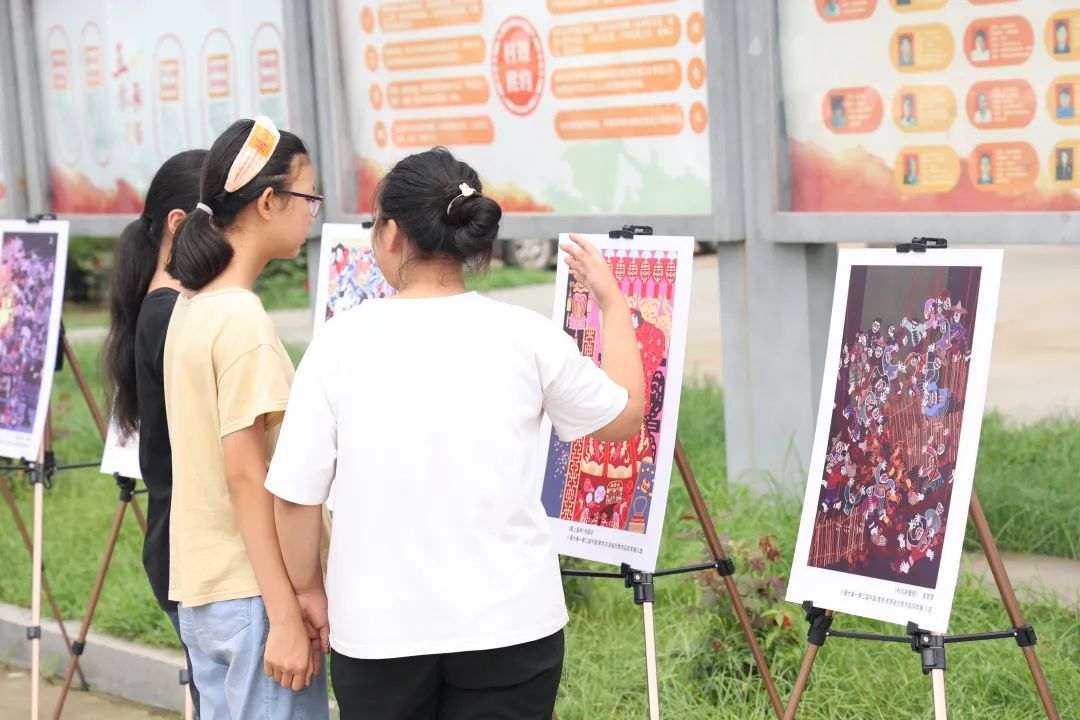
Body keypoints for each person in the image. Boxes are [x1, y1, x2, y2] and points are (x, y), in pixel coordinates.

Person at [266, 147, 645, 719]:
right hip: (513, 628)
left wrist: (308, 592)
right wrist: (613, 306)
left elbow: (296, 499)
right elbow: (624, 417)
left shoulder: (341, 344)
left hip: (377, 634)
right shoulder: (525, 336)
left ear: (390, 235)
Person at [163, 116, 329, 718]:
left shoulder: (192, 305)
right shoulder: (241, 320)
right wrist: (286, 612)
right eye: (309, 197)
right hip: (254, 593)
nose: (313, 212)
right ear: (268, 201)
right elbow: (245, 475)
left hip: (206, 592)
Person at [102, 149, 208, 718]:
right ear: (179, 224)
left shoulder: (166, 306)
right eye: (227, 212)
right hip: (195, 559)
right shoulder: (173, 314)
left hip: (180, 554)